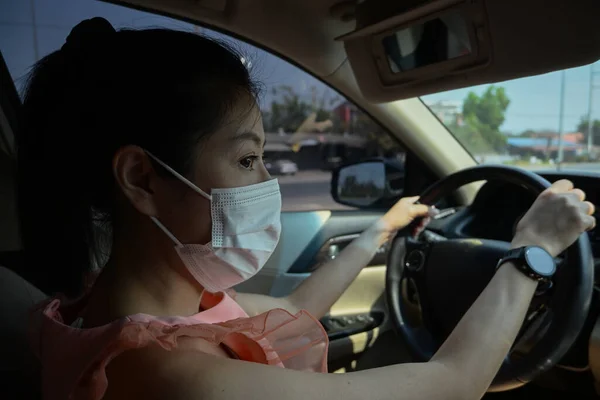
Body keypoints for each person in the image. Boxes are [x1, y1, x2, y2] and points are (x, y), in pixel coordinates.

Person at [20, 18, 595, 400]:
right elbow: (453, 381)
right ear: (141, 178)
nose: (269, 181)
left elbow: (296, 308)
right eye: (248, 160)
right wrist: (533, 252)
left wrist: (381, 231)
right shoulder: (169, 375)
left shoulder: (123, 309)